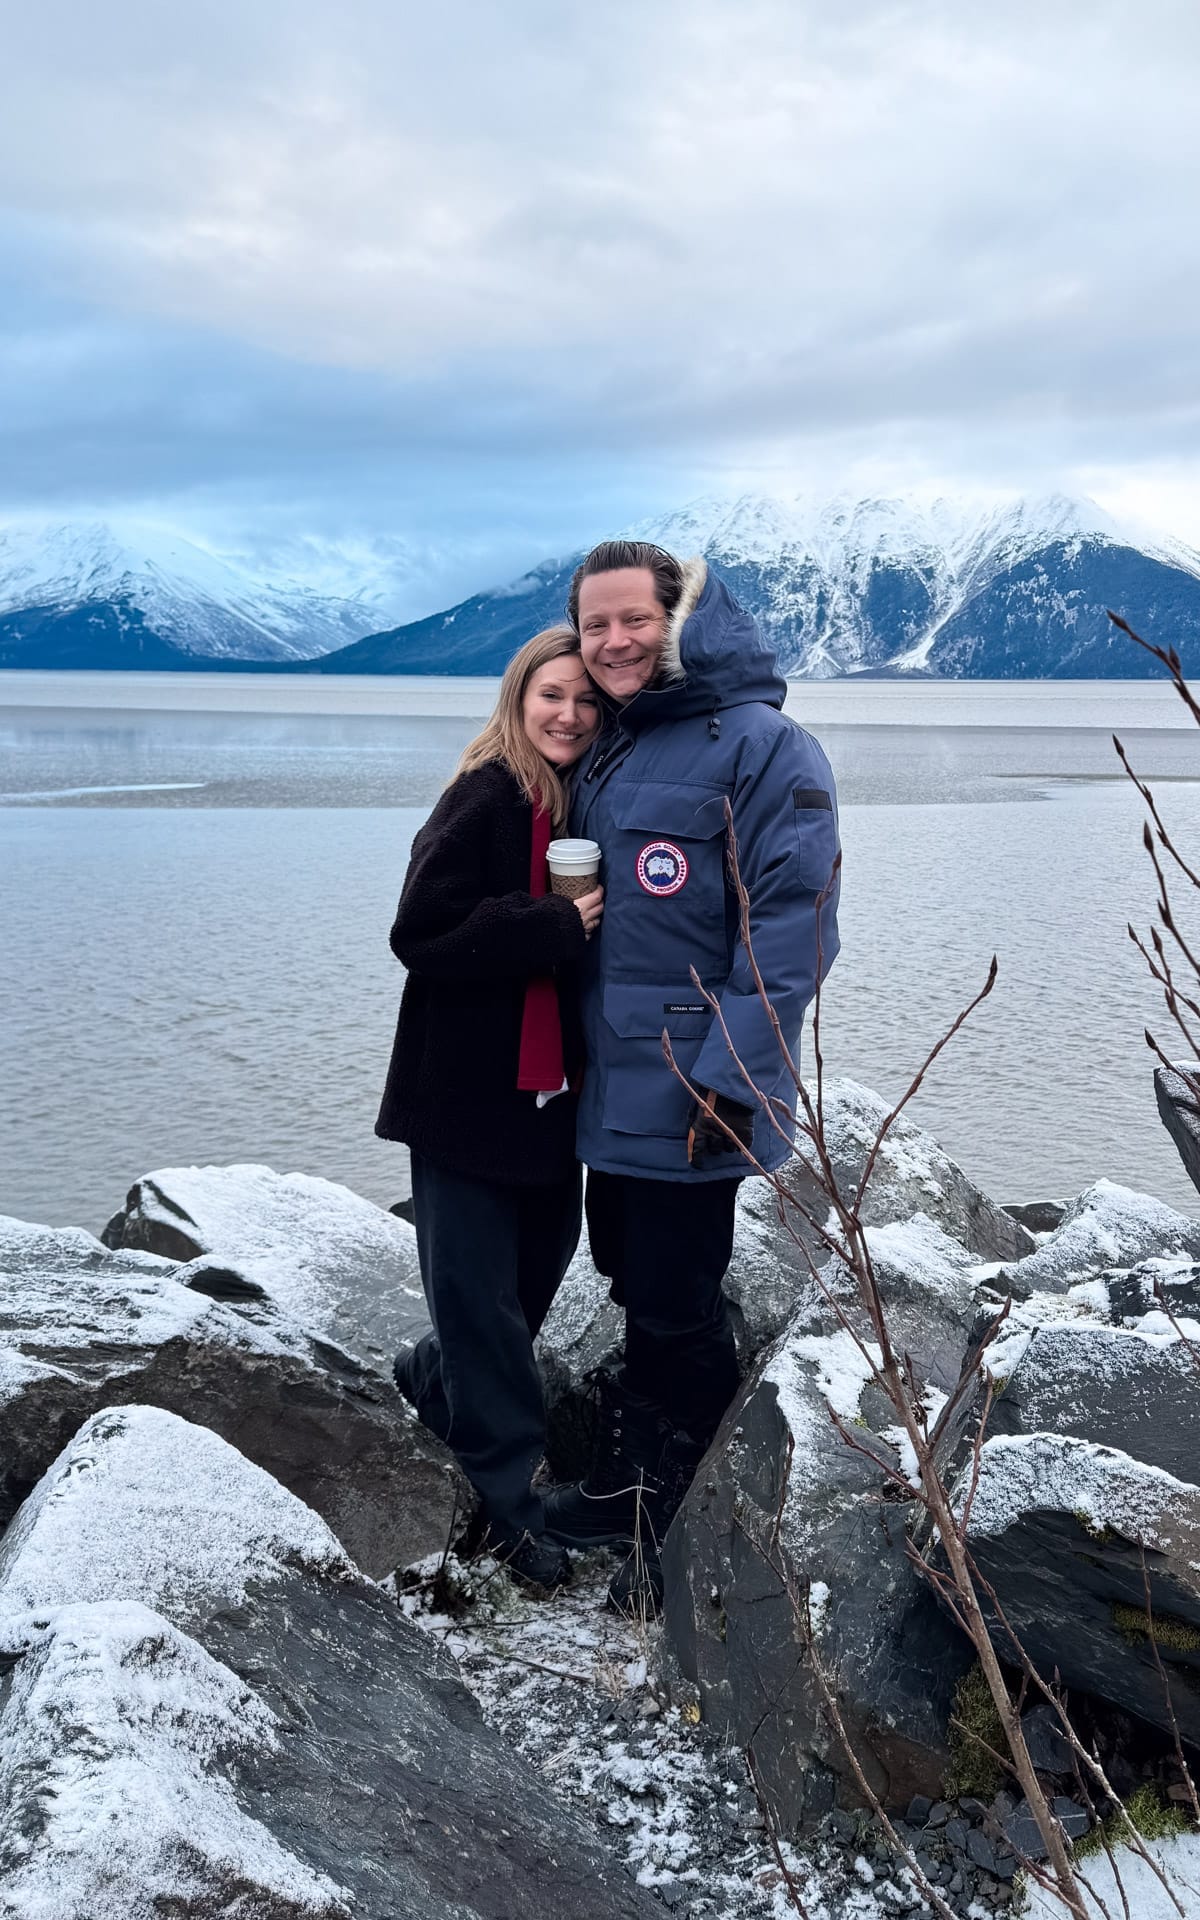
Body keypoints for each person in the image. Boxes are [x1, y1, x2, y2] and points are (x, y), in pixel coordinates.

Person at [543, 540, 840, 1608]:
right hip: (609, 1087)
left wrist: (731, 1078)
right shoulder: (618, 748)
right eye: (595, 625)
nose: (614, 643)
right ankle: (632, 1472)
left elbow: (796, 924)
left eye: (635, 619)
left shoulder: (766, 749)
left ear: (686, 621)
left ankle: (683, 1509)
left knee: (677, 1299)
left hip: (691, 1088)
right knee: (631, 1275)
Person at [376, 627, 604, 1591]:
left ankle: (429, 1381)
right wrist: (552, 923)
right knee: (485, 1307)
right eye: (551, 694)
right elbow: (418, 931)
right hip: (466, 1102)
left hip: (548, 1102)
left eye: (587, 701)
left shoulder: (579, 803)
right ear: (518, 699)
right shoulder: (484, 794)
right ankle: (507, 1514)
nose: (568, 713)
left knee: (523, 1294)